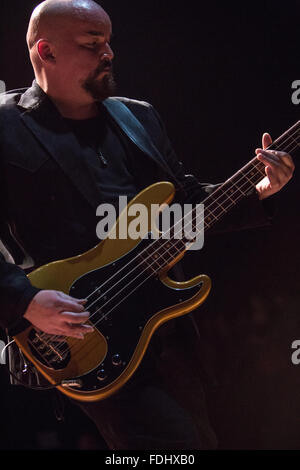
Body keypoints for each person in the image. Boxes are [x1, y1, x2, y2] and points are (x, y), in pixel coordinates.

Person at [0, 0, 294, 450]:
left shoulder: (137, 117)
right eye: (92, 43)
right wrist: (25, 300)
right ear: (47, 51)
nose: (109, 53)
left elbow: (186, 205)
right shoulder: (6, 126)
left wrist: (258, 190)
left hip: (161, 325)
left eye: (109, 42)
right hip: (79, 331)